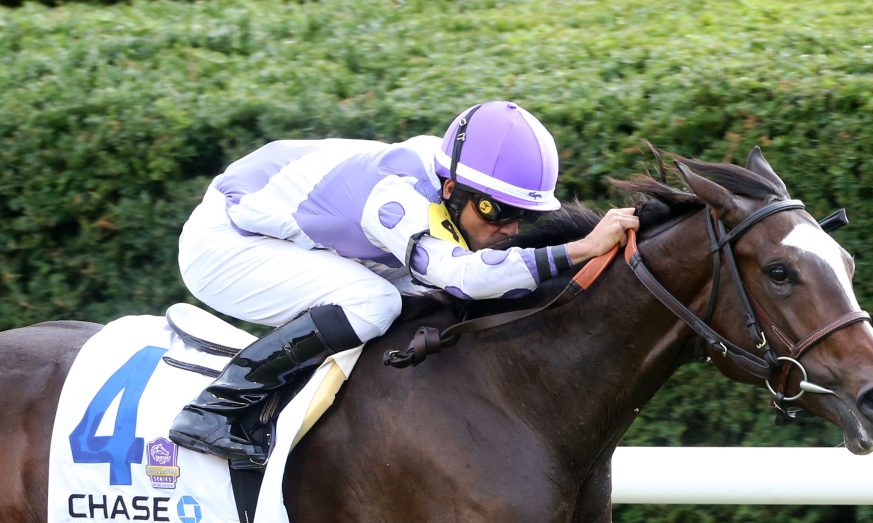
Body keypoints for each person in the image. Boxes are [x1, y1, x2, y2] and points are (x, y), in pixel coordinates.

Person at [168, 100, 639, 463]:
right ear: (451, 191)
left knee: (414, 297)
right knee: (374, 302)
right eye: (497, 211)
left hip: (284, 226)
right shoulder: (396, 200)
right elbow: (466, 279)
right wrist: (582, 248)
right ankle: (215, 408)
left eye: (523, 215)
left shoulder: (452, 180)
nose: (510, 229)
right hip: (226, 244)